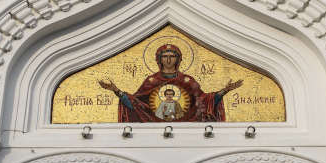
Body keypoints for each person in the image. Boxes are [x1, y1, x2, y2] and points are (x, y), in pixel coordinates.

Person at [98, 43, 243, 122]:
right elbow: (137, 105)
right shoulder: (151, 81)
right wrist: (116, 91)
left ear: (178, 59)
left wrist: (225, 90)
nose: (168, 60)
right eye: (165, 56)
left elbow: (204, 102)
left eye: (172, 56)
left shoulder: (187, 81)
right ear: (159, 59)